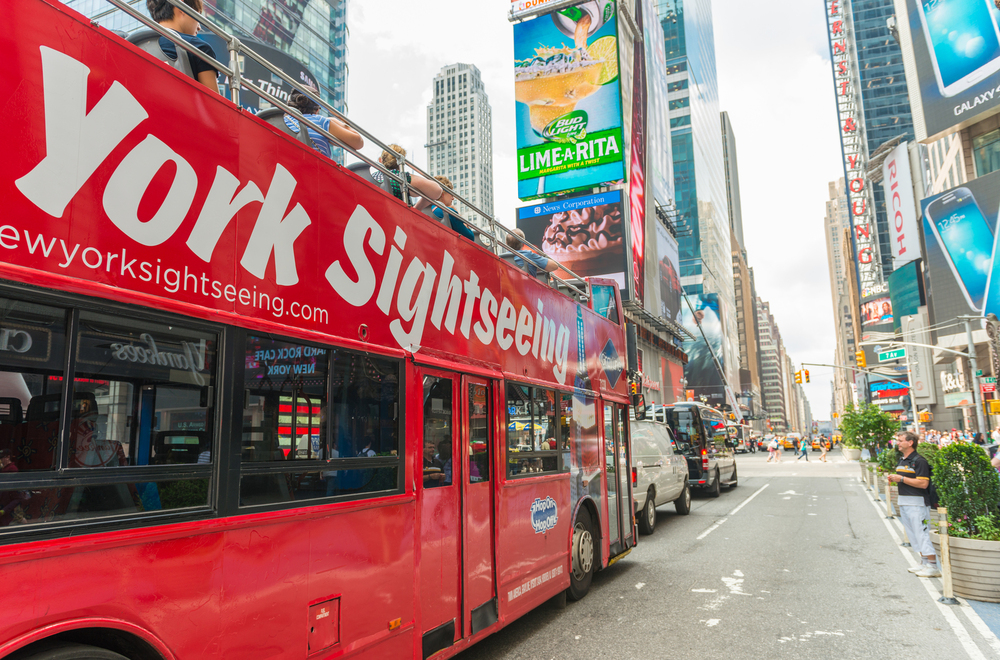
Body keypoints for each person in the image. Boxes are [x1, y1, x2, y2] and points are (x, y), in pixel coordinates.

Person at [888, 431, 940, 577]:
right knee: (913, 534)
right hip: (904, 501)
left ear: (910, 443)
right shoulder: (902, 460)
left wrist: (901, 479)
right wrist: (895, 478)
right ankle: (924, 562)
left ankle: (933, 565)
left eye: (900, 440)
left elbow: (923, 483)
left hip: (918, 503)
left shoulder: (919, 461)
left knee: (922, 532)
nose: (897, 443)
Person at [147, 0, 222, 93]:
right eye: (198, 15)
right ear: (182, 7)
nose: (199, 27)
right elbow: (214, 105)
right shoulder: (199, 48)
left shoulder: (136, 43)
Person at [283, 88, 363, 158]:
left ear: (289, 103)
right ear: (317, 110)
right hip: (314, 171)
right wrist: (336, 117)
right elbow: (358, 143)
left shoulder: (282, 119)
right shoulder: (321, 122)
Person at [372, 145, 443, 205]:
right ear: (403, 162)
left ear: (380, 160)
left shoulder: (371, 176)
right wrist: (417, 208)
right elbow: (437, 191)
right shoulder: (401, 178)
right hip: (396, 216)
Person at [414, 176, 476, 241]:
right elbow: (470, 237)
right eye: (451, 194)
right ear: (443, 193)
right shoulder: (448, 212)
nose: (453, 198)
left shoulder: (420, 209)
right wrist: (464, 223)